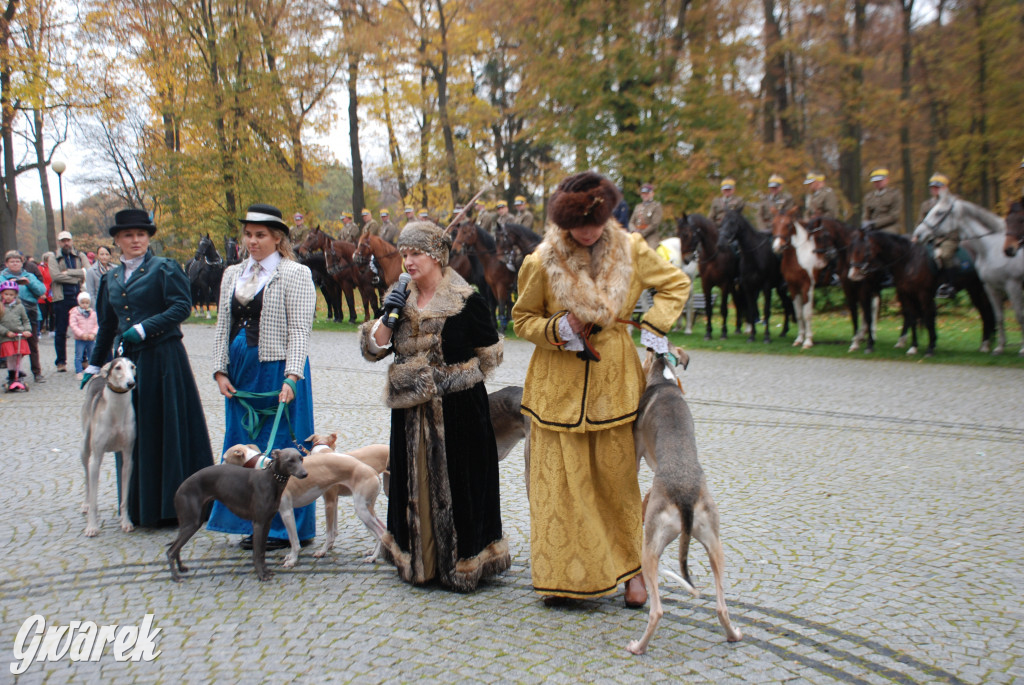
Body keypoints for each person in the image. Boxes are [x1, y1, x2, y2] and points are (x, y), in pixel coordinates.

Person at [511, 171, 690, 607]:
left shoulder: (632, 250)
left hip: (614, 383)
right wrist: (558, 327)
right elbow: (522, 320)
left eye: (595, 221)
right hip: (557, 388)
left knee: (618, 484)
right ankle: (563, 576)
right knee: (562, 488)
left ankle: (634, 574)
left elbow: (675, 284)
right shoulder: (541, 260)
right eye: (577, 224)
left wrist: (652, 326)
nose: (587, 232)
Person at [360, 221, 509, 592]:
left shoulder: (466, 299)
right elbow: (374, 349)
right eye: (404, 253)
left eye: (415, 253)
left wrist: (446, 379)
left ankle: (464, 562)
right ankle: (419, 561)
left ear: (437, 255)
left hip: (459, 414)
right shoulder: (400, 297)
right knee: (413, 482)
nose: (408, 261)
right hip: (410, 414)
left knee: (461, 485)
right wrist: (387, 316)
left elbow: (490, 355)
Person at [81, 209, 213, 527]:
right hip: (127, 366)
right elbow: (107, 325)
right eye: (128, 235)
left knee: (164, 427)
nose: (136, 240)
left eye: (141, 234)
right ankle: (139, 506)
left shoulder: (164, 268)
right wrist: (94, 364)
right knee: (132, 434)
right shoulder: (110, 278)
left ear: (148, 238)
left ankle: (176, 505)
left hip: (164, 359)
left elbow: (181, 306)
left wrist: (143, 329)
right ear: (117, 241)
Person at [207, 203, 317, 550]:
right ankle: (248, 518)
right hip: (240, 372)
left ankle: (285, 529)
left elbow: (300, 330)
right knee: (242, 445)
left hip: (278, 368)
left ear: (277, 238)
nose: (252, 241)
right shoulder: (232, 274)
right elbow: (222, 326)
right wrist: (219, 370)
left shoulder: (295, 274)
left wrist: (292, 376)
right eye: (249, 234)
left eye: (261, 235)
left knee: (281, 444)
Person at [45, 230, 89, 372]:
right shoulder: (54, 257)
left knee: (83, 329)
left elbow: (88, 271)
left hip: (80, 297)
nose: (66, 243)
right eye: (63, 241)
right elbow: (56, 276)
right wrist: (78, 276)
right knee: (61, 330)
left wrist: (69, 272)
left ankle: (84, 359)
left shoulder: (80, 255)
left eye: (68, 240)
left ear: (72, 241)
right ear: (59, 242)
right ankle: (61, 362)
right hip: (61, 298)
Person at [1, 251, 45, 382]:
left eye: (17, 261)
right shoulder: (2, 276)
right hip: (8, 315)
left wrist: (28, 282)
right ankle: (14, 372)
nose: (15, 264)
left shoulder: (29, 275)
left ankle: (37, 372)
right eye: (12, 261)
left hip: (30, 313)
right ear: (6, 263)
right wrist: (9, 285)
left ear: (22, 263)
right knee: (10, 345)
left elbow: (41, 290)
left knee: (32, 344)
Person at [0, 279, 32, 392]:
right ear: (2, 294)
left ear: (15, 295)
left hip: (19, 335)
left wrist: (27, 330)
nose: (8, 297)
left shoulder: (20, 307)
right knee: (10, 355)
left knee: (19, 355)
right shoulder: (1, 307)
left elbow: (26, 320)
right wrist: (6, 332)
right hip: (6, 337)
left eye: (11, 295)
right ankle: (12, 375)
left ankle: (19, 374)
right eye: (6, 294)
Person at [863, 168, 903, 234]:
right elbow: (866, 214)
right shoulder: (869, 197)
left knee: (885, 237)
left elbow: (894, 216)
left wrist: (876, 223)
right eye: (875, 181)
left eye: (880, 181)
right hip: (871, 227)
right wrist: (866, 223)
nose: (877, 183)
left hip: (889, 227)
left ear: (886, 180)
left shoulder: (895, 194)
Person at [68, 292, 98, 380]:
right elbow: (73, 325)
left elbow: (96, 325)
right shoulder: (75, 312)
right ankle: (79, 371)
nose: (85, 305)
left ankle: (92, 371)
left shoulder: (93, 313)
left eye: (87, 303)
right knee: (79, 356)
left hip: (90, 338)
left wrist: (93, 333)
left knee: (92, 355)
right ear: (79, 302)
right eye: (82, 303)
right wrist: (81, 334)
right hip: (80, 338)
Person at [629, 182, 664, 249]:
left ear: (652, 194)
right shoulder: (638, 207)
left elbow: (655, 224)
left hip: (650, 236)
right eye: (643, 193)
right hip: (635, 235)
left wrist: (642, 233)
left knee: (650, 252)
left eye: (647, 193)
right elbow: (631, 222)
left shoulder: (656, 206)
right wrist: (634, 231)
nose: (644, 195)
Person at [37, 252, 54, 335]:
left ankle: (52, 330)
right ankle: (39, 330)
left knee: (53, 312)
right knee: (43, 313)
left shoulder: (54, 267)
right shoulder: (41, 268)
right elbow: (40, 280)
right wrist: (42, 292)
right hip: (43, 292)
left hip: (52, 292)